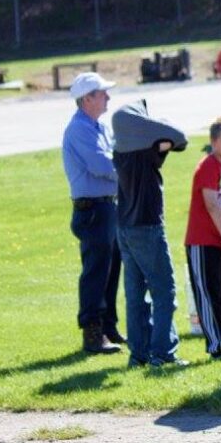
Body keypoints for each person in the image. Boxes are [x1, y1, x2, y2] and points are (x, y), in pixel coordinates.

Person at [112, 100, 189, 369]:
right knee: (164, 291)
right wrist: (158, 138)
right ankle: (163, 352)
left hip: (124, 227)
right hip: (147, 227)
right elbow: (179, 137)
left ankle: (139, 354)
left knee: (135, 295)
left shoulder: (119, 151)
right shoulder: (147, 151)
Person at [61, 72, 123, 355]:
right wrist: (129, 172)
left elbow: (112, 160)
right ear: (87, 99)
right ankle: (93, 333)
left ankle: (108, 326)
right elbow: (103, 165)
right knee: (97, 272)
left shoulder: (99, 127)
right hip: (93, 209)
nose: (107, 97)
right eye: (101, 93)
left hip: (106, 206)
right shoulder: (80, 129)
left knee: (111, 269)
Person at [185, 116, 221, 359]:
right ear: (214, 142)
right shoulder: (208, 166)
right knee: (207, 293)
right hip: (204, 240)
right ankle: (215, 343)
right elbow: (211, 204)